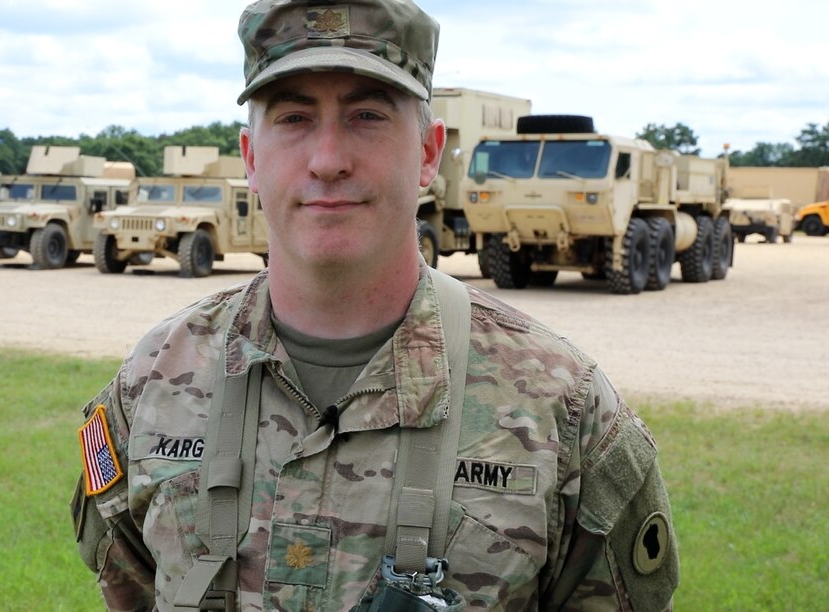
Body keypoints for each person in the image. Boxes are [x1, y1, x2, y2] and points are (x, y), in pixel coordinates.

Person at [70, 1, 679, 610]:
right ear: (251, 158)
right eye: (293, 117)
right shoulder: (150, 386)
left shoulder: (562, 408)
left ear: (428, 154)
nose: (328, 158)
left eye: (367, 115)